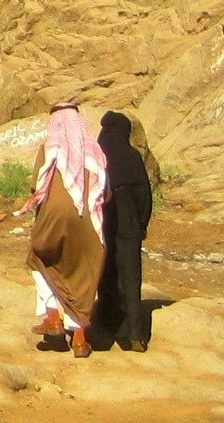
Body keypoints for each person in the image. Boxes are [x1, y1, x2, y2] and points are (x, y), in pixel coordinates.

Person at [21, 97, 107, 357]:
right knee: (82, 274)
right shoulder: (96, 151)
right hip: (89, 222)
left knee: (39, 259)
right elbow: (106, 190)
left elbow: (37, 187)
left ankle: (52, 317)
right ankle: (80, 340)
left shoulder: (49, 149)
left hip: (54, 217)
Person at [96, 110, 153, 351]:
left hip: (103, 219)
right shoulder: (132, 157)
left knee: (105, 272)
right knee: (130, 275)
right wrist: (141, 224)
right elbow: (144, 196)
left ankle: (107, 329)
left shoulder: (98, 157)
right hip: (129, 221)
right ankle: (135, 334)